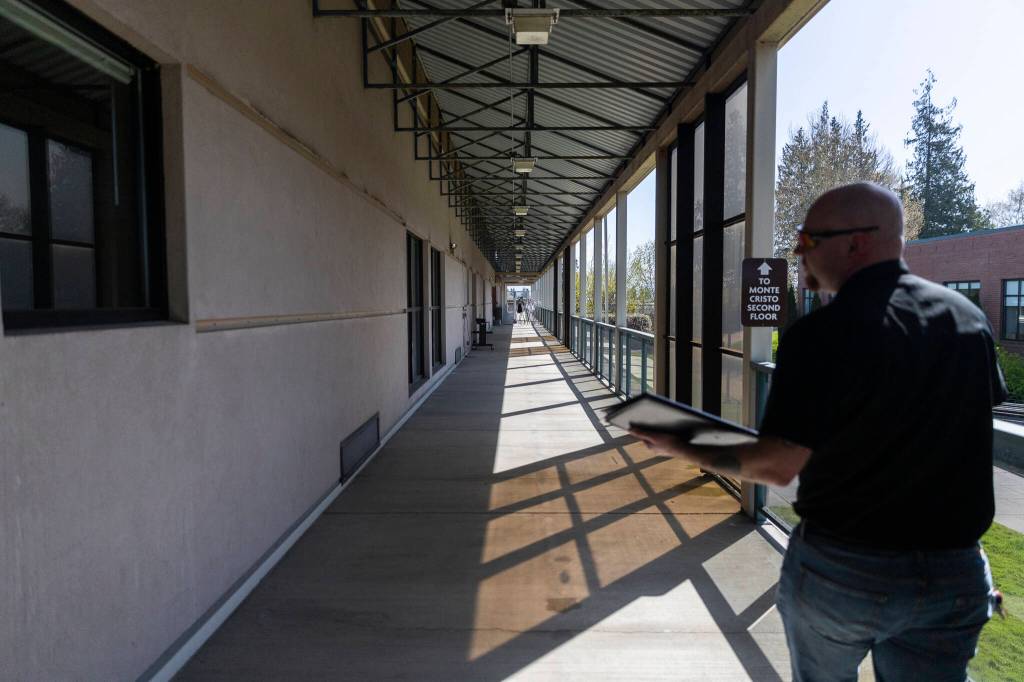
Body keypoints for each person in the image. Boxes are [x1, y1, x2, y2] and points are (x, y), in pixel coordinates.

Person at [631, 182, 1007, 682]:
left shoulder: (823, 335)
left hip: (846, 571)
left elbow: (777, 464)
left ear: (858, 242)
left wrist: (680, 438)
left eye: (808, 241)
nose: (798, 254)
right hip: (954, 575)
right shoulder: (969, 320)